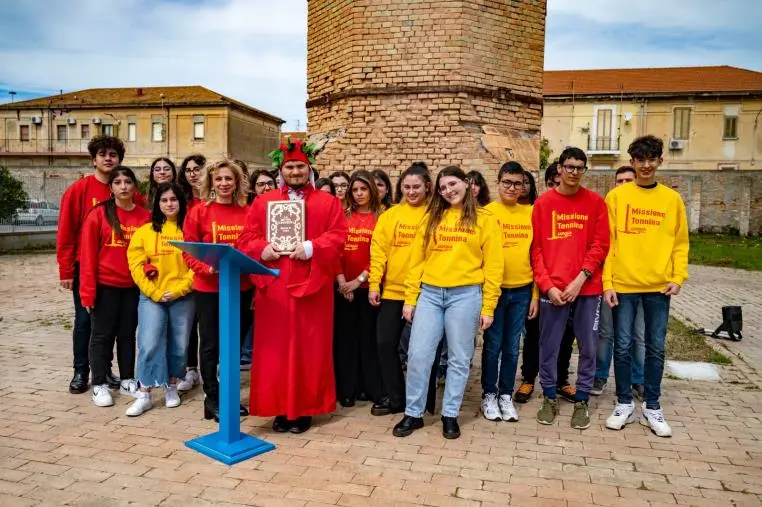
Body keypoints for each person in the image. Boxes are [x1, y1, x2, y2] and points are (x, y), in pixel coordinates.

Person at [238, 139, 347, 434]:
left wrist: (312, 246)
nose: (295, 171)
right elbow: (246, 239)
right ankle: (279, 409)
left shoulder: (329, 203)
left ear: (308, 168)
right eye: (290, 167)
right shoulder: (263, 203)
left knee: (310, 350)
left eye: (300, 166)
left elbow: (339, 236)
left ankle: (303, 410)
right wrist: (264, 248)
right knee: (274, 352)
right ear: (281, 170)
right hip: (275, 287)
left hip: (313, 288)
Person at [393, 166, 502, 440]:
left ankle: (450, 414)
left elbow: (494, 266)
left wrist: (488, 306)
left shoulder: (485, 219)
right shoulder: (432, 217)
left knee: (459, 358)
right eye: (442, 188)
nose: (448, 191)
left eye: (452, 184)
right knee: (418, 354)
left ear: (467, 183)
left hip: (465, 295)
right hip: (430, 293)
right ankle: (413, 413)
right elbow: (416, 260)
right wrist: (410, 298)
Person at [603, 136, 689, 438]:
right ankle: (624, 403)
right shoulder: (616, 198)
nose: (646, 165)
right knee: (623, 346)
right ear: (632, 162)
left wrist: (678, 277)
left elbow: (680, 242)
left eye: (652, 159)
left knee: (655, 347)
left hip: (658, 287)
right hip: (624, 284)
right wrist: (607, 282)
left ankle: (652, 406)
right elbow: (608, 243)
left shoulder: (672, 200)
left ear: (660, 161)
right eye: (641, 159)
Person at [58, 135, 144, 394]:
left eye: (113, 155)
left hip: (122, 273)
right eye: (103, 154)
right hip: (85, 267)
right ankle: (81, 371)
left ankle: (105, 371)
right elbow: (66, 230)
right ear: (94, 159)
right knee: (86, 322)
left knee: (116, 326)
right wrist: (65, 270)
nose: (108, 158)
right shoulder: (79, 189)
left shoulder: (131, 193)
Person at [531, 147, 609, 430]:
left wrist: (579, 280)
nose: (574, 172)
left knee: (588, 347)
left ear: (584, 170)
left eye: (580, 167)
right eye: (569, 166)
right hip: (554, 291)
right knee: (548, 347)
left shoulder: (596, 203)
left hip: (587, 290)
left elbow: (600, 246)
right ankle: (549, 397)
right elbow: (536, 250)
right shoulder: (543, 204)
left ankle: (583, 401)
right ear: (560, 169)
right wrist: (547, 286)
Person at [183, 159, 252, 422]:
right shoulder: (199, 212)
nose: (224, 184)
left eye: (229, 179)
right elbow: (188, 251)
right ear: (211, 182)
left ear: (237, 182)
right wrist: (208, 269)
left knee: (233, 346)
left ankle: (229, 397)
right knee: (211, 345)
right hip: (209, 289)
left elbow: (254, 248)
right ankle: (212, 399)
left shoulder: (247, 212)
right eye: (219, 179)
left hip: (241, 287)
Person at [79, 166, 150, 407]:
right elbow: (87, 256)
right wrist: (87, 293)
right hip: (105, 286)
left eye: (127, 181)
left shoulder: (145, 217)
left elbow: (150, 253)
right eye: (117, 182)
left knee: (128, 335)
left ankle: (128, 378)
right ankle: (99, 384)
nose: (123, 186)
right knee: (101, 336)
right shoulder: (98, 215)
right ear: (110, 188)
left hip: (133, 286)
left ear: (134, 186)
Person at [126, 182, 195, 416]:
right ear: (157, 204)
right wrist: (154, 292)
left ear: (181, 203)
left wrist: (179, 290)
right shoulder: (144, 232)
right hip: (152, 297)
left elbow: (196, 266)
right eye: (164, 200)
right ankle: (144, 392)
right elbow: (136, 266)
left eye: (173, 200)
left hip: (182, 296)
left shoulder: (190, 231)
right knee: (149, 342)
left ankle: (171, 385)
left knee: (179, 345)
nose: (169, 204)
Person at [369, 162, 432, 416]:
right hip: (393, 292)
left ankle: (423, 401)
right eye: (406, 187)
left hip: (425, 293)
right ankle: (396, 398)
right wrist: (375, 283)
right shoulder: (390, 216)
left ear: (427, 187)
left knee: (422, 351)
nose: (412, 191)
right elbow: (378, 252)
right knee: (385, 343)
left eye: (417, 187)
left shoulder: (435, 215)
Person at [514, 160, 577, 405]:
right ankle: (528, 377)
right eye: (551, 184)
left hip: (570, 285)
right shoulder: (539, 209)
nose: (555, 188)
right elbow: (533, 251)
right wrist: (540, 287)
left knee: (566, 335)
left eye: (557, 184)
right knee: (534, 334)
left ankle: (561, 380)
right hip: (542, 283)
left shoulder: (574, 209)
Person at [480, 162, 538, 422]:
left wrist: (535, 294)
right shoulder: (486, 213)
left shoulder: (531, 213)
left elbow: (538, 256)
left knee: (513, 347)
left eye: (518, 183)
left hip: (522, 290)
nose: (512, 188)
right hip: (495, 291)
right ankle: (489, 394)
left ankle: (505, 394)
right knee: (493, 346)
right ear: (498, 182)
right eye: (508, 183)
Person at [592, 166, 646, 398]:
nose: (623, 184)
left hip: (641, 283)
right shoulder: (607, 208)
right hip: (611, 281)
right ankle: (600, 375)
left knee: (638, 334)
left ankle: (638, 379)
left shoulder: (644, 209)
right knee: (606, 332)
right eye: (619, 181)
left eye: (628, 180)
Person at [334, 170, 385, 408]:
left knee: (368, 339)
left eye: (363, 189)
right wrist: (343, 281)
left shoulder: (381, 217)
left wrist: (359, 280)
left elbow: (380, 256)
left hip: (369, 287)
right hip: (343, 286)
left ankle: (368, 387)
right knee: (346, 340)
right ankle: (347, 389)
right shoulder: (343, 216)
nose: (358, 193)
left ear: (372, 191)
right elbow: (335, 251)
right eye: (355, 190)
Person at [240, 169, 277, 369]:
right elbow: (247, 242)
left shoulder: (283, 206)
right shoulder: (250, 210)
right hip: (253, 275)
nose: (266, 187)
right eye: (261, 184)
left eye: (269, 183)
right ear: (254, 188)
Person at [176, 154, 206, 392]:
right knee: (188, 322)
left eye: (197, 169)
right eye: (188, 170)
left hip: (209, 269)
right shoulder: (181, 201)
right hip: (183, 264)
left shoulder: (214, 199)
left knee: (206, 324)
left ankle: (210, 369)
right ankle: (189, 369)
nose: (193, 173)